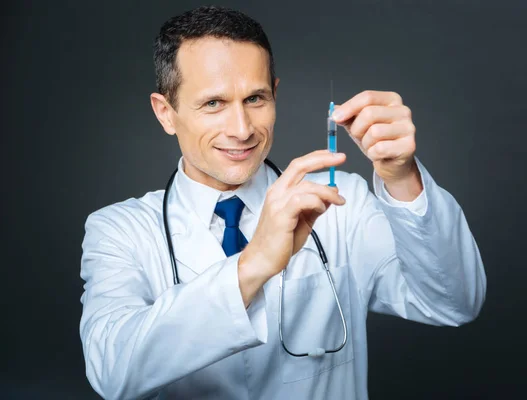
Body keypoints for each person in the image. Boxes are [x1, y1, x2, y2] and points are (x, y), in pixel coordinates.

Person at [79, 5, 486, 400]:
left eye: (255, 99)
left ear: (274, 95)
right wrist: (253, 264)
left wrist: (402, 177)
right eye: (213, 104)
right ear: (165, 113)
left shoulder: (341, 204)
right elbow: (112, 372)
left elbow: (453, 303)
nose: (241, 130)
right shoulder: (119, 231)